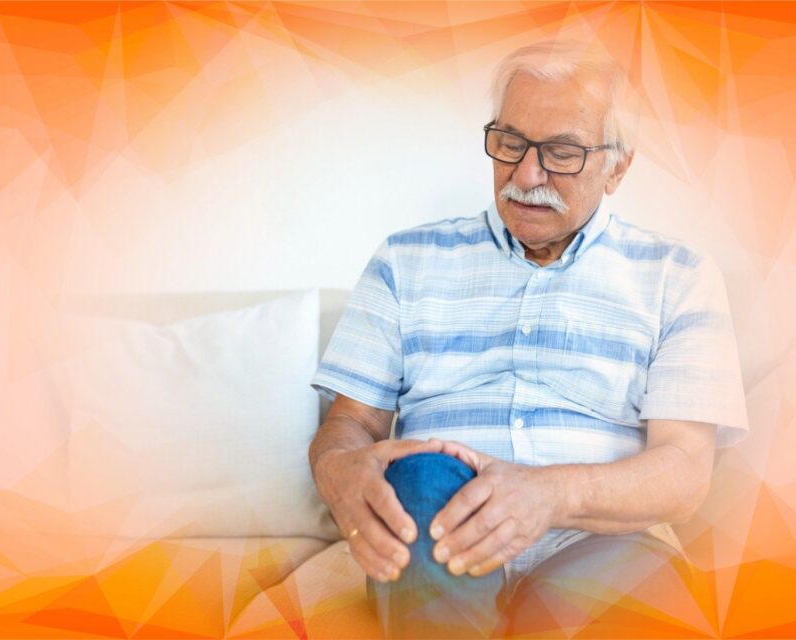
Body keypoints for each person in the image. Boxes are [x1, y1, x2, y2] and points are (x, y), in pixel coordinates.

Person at [308, 39, 749, 638]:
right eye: (510, 143)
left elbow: (685, 474)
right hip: (437, 520)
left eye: (561, 152)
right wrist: (338, 471)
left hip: (602, 541)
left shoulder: (680, 276)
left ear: (618, 167)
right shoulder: (403, 260)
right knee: (420, 476)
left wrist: (549, 495)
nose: (525, 174)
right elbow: (349, 424)